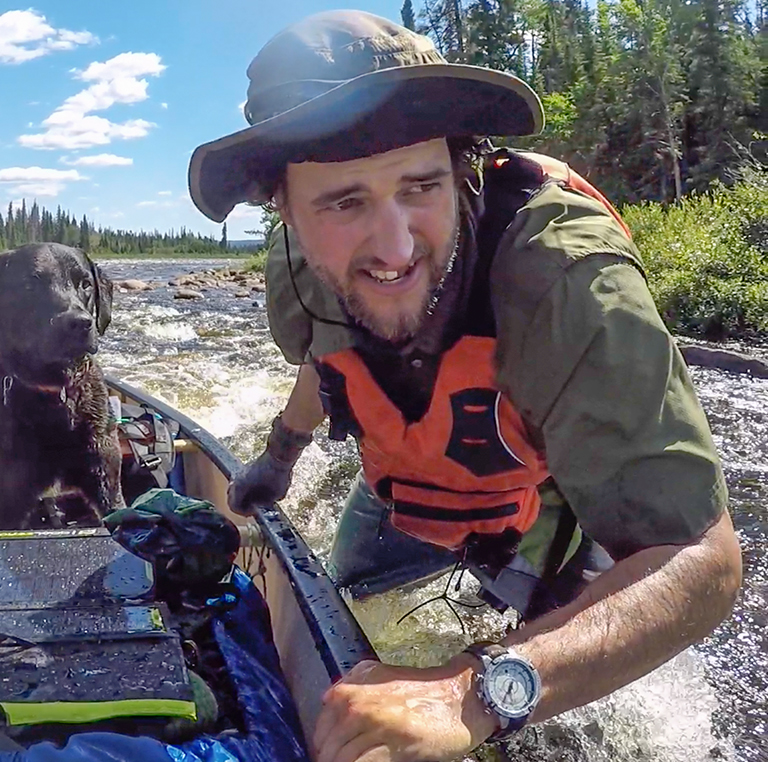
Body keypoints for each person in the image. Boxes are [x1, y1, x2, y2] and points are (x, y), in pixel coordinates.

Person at [187, 10, 743, 762]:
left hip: (542, 499)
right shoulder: (298, 272)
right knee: (349, 597)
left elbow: (700, 563)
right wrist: (281, 457)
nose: (392, 247)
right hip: (404, 485)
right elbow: (325, 360)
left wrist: (475, 689)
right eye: (343, 202)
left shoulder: (566, 279)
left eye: (420, 186)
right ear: (282, 209)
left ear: (463, 165)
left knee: (552, 716)